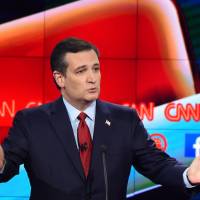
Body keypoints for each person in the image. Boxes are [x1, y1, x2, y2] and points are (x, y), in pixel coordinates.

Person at [0, 37, 200, 200]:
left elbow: (157, 164)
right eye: (81, 71)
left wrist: (188, 176)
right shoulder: (32, 122)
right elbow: (7, 166)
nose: (92, 78)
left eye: (96, 69)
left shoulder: (125, 119)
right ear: (60, 78)